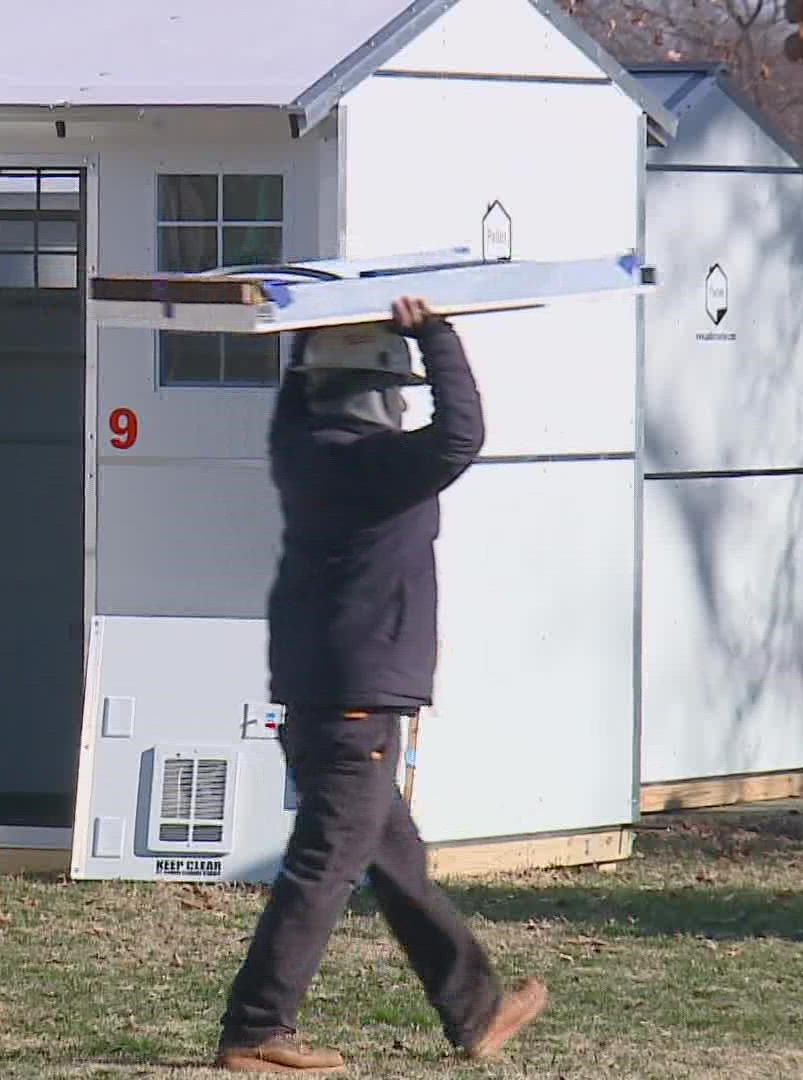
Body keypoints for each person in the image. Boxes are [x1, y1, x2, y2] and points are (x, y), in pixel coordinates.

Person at [214, 297, 545, 1074]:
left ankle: (477, 1010)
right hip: (357, 700)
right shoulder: (380, 465)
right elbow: (463, 434)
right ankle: (258, 1028)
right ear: (385, 391)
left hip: (318, 693)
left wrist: (307, 328)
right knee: (326, 865)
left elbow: (299, 392)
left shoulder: (300, 446)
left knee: (394, 860)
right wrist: (436, 334)